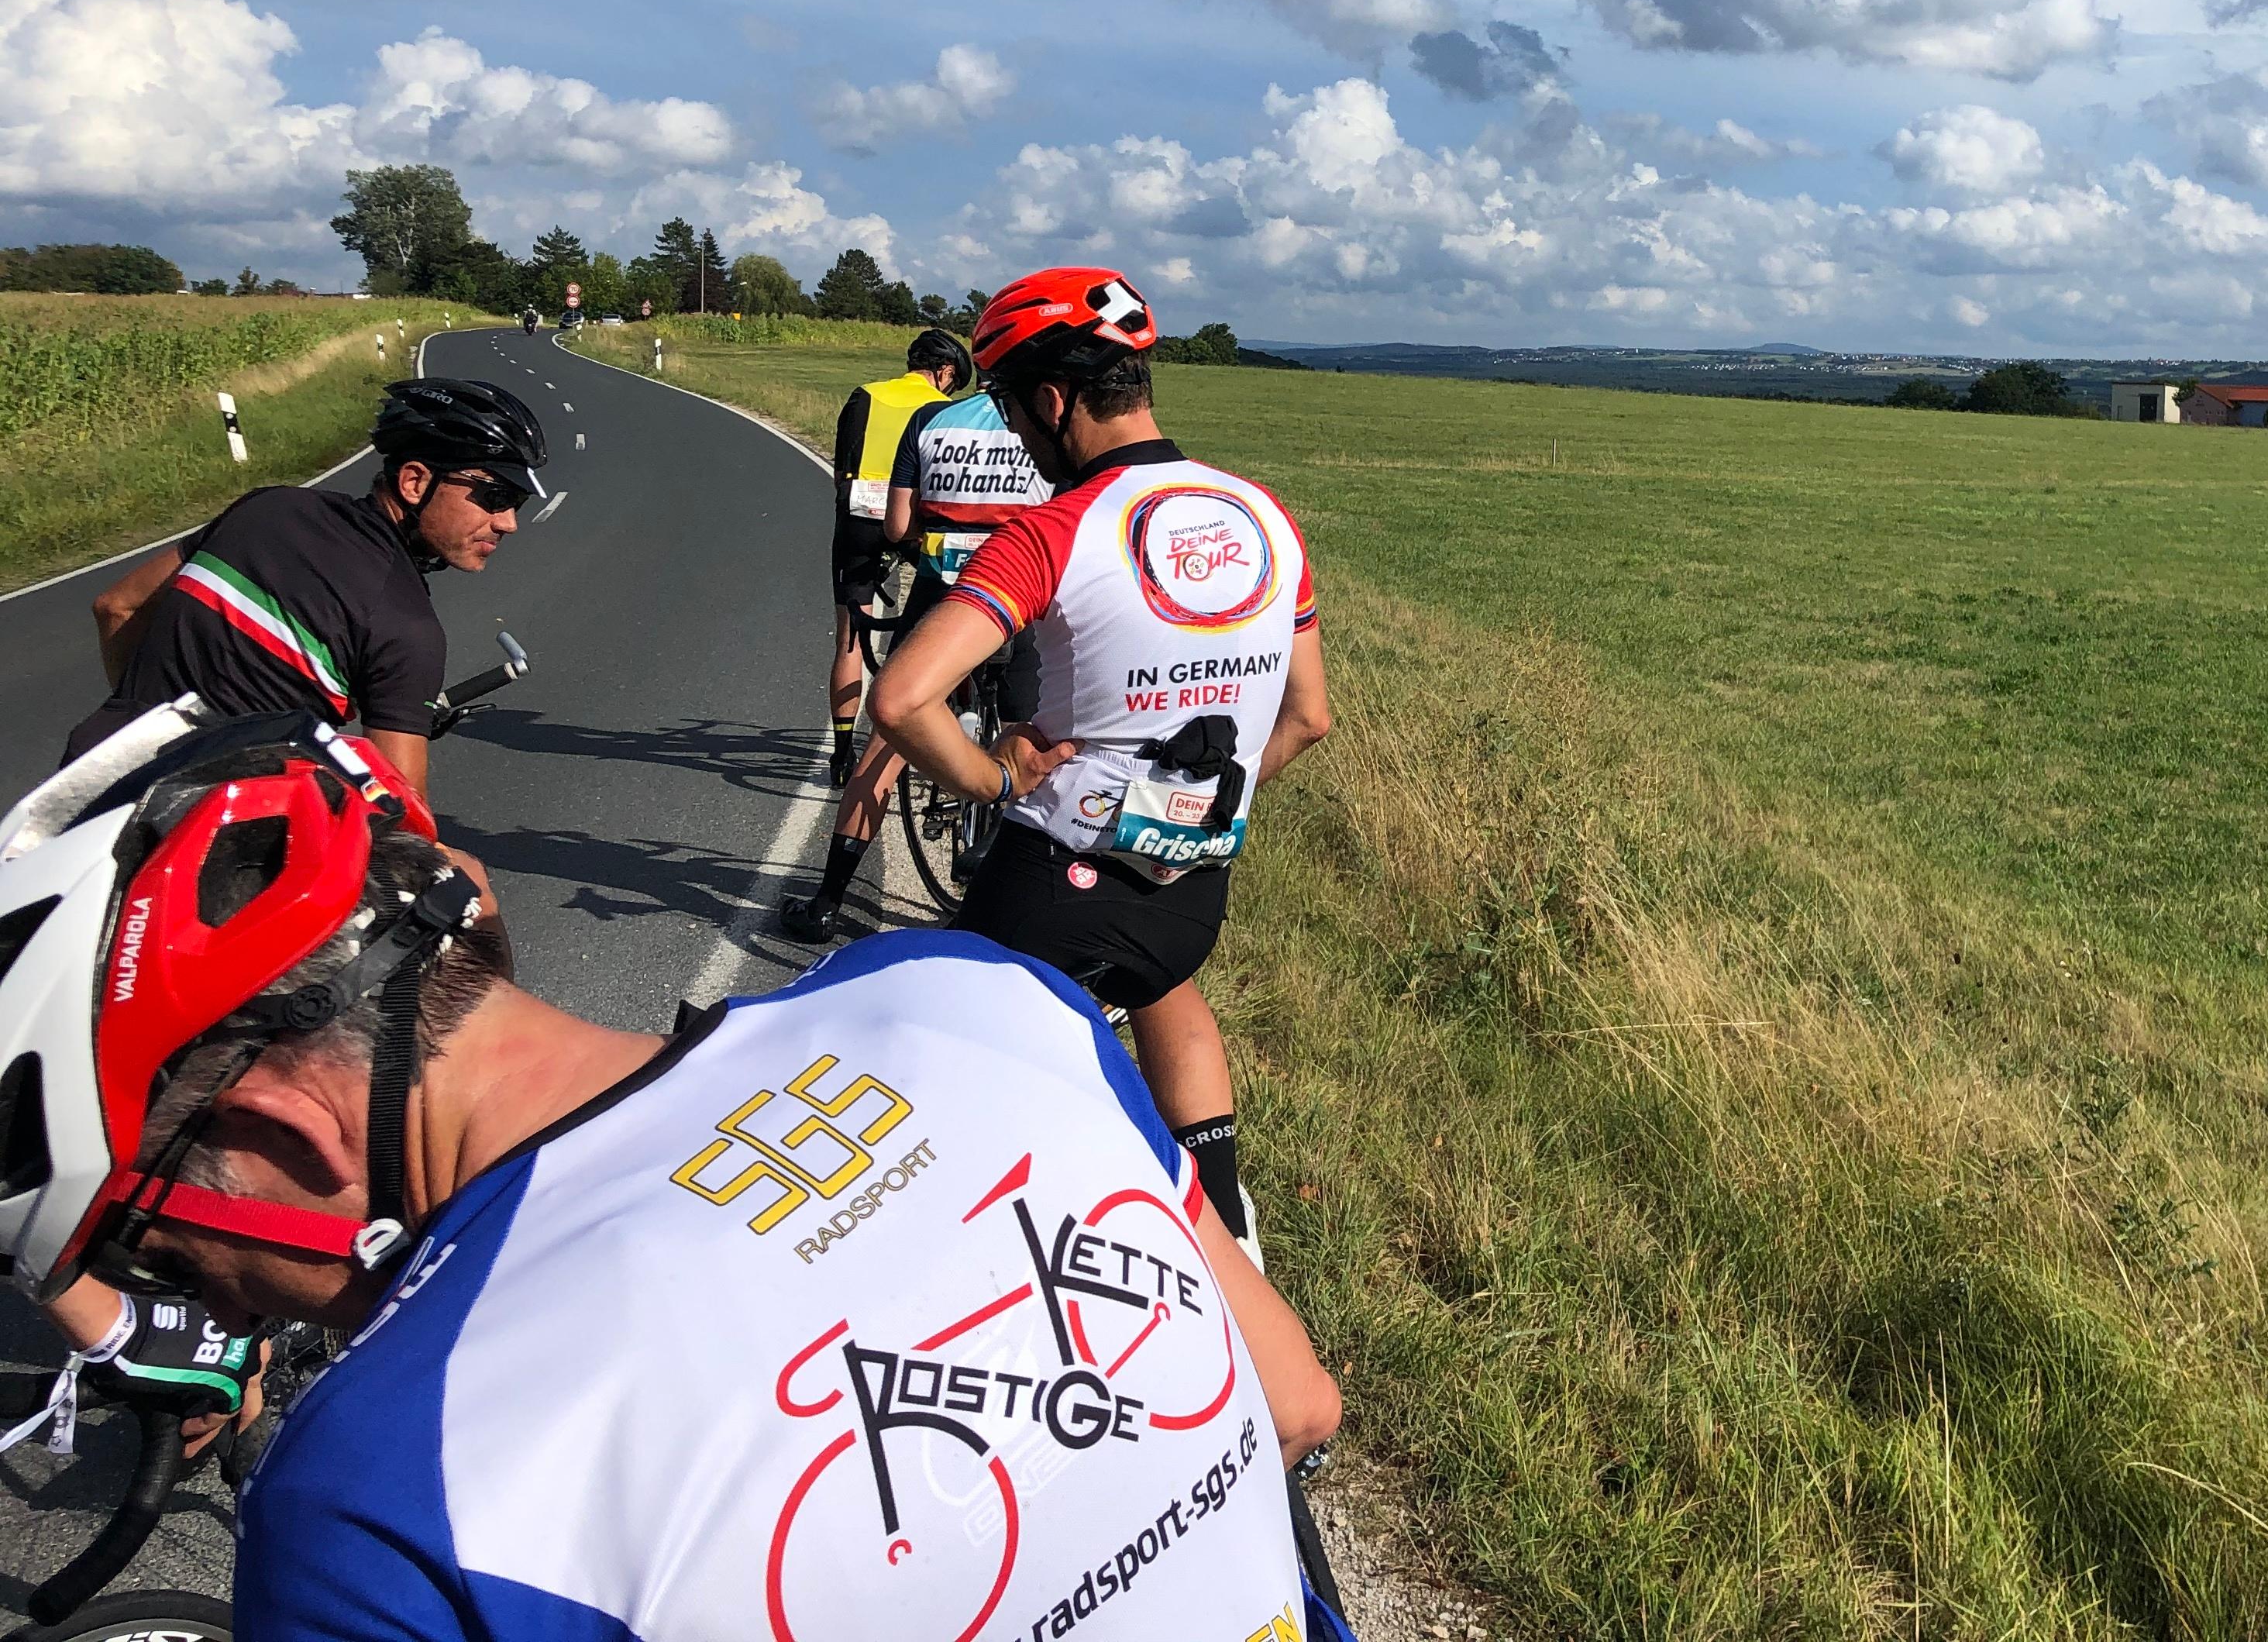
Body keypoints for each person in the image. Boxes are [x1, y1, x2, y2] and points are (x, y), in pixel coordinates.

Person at [0, 705, 1347, 1640]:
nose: (229, 1313)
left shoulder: (377, 1491)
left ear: (287, 1130)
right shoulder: (975, 990)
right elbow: (1291, 1397)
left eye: (167, 1253)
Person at [867, 269, 1330, 1253]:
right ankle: (1222, 1218)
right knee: (1162, 990)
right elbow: (1308, 719)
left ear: (1052, 400)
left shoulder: (1054, 529)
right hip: (1190, 894)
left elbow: (902, 699)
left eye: (1006, 404)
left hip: (1049, 891)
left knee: (947, 1104)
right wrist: (1198, 804)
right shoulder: (1266, 516)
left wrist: (993, 779)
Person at [65, 376, 549, 800]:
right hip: (221, 832)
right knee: (467, 878)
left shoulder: (267, 507)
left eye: (519, 502)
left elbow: (117, 607)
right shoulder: (407, 628)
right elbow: (404, 812)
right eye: (495, 497)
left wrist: (148, 714)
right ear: (415, 482)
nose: (508, 523)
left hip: (91, 778)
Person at [782, 365, 1050, 942]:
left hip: (945, 594)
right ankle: (1021, 900)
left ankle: (827, 903)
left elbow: (900, 523)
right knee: (1036, 739)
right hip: (1019, 596)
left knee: (889, 741)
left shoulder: (933, 419)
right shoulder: (1046, 431)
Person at [825, 330, 972, 788]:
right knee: (947, 625)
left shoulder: (865, 395)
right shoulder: (944, 411)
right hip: (915, 522)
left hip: (858, 520)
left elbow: (841, 467)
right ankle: (936, 737)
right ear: (945, 373)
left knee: (850, 636)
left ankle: (843, 753)